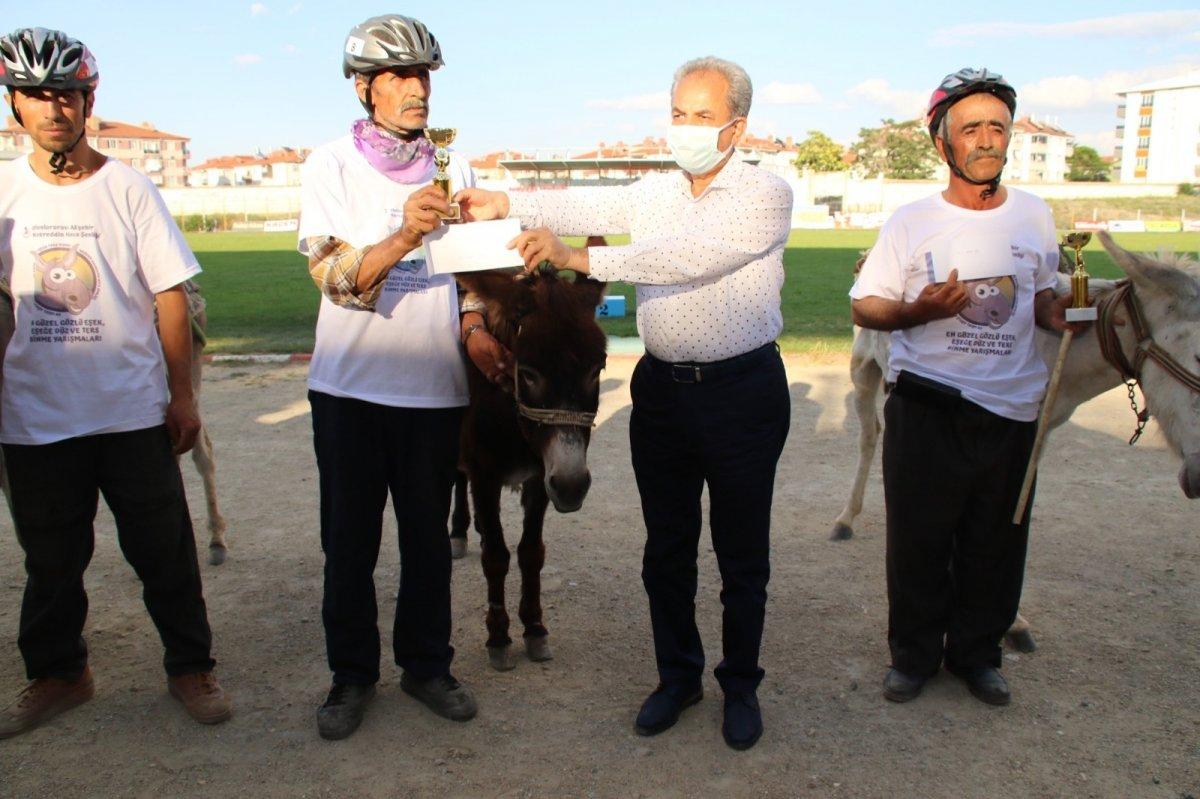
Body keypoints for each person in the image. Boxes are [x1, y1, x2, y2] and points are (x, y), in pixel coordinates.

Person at [456, 56, 793, 751]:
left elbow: (685, 256)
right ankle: (677, 677)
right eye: (678, 113)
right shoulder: (654, 190)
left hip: (743, 394)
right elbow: (584, 204)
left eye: (702, 116)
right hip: (665, 394)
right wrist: (504, 202)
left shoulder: (767, 194)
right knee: (666, 550)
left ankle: (740, 685)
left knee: (740, 556)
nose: (686, 128)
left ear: (737, 126)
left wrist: (581, 260)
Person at [0, 27, 231, 738]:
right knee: (51, 558)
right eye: (36, 95)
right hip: (34, 415)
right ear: (15, 106)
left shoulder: (127, 187)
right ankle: (60, 672)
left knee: (164, 547)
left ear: (87, 100)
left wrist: (182, 395)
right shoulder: (3, 190)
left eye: (66, 94)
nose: (53, 108)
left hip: (131, 409)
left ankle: (190, 666)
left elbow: (168, 293)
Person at [849, 68, 1086, 706]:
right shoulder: (910, 221)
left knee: (997, 541)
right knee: (919, 541)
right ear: (944, 143)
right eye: (971, 128)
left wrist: (1056, 315)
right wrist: (918, 310)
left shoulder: (1036, 216)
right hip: (928, 402)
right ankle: (915, 657)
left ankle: (977, 655)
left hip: (1011, 408)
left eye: (997, 128)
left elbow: (1037, 301)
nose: (987, 140)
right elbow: (865, 307)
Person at [299, 13, 502, 741]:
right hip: (349, 388)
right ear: (365, 88)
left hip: (433, 390)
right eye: (401, 76)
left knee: (428, 542)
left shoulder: (458, 165)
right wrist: (405, 234)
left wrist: (476, 326)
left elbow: (470, 273)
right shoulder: (330, 164)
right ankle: (351, 676)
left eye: (424, 76)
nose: (417, 89)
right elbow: (332, 275)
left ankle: (427, 665)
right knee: (349, 544)